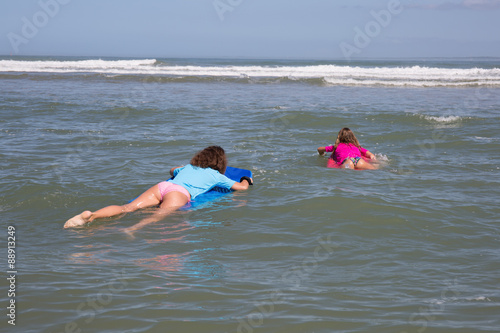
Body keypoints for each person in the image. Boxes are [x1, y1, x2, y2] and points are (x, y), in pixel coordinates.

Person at [64, 146, 253, 233]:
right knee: (160, 215)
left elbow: (172, 170)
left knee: (127, 208)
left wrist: (186, 167)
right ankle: (132, 229)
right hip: (179, 194)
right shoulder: (217, 176)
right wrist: (246, 178)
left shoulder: (187, 167)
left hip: (163, 186)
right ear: (220, 163)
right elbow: (241, 188)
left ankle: (92, 215)